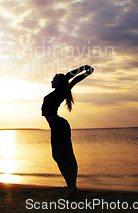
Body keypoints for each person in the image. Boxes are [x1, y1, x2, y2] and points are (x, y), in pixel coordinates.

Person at [41, 65, 93, 198]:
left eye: (54, 79)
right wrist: (86, 72)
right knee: (68, 156)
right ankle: (72, 186)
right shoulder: (62, 90)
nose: (51, 81)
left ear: (59, 82)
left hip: (58, 125)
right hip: (60, 125)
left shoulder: (60, 90)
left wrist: (84, 69)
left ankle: (71, 186)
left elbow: (70, 77)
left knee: (59, 156)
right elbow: (73, 80)